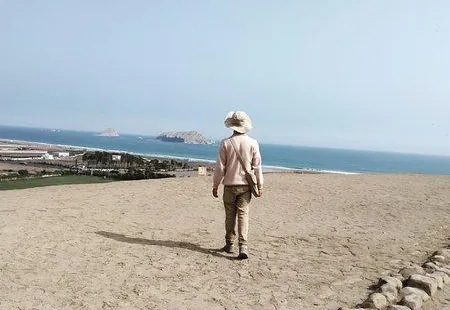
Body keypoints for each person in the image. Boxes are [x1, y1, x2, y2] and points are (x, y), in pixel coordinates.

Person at [212, 111, 263, 259]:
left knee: (230, 216)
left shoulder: (225, 143)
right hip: (246, 186)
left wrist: (215, 185)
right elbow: (257, 167)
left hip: (229, 185)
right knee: (243, 215)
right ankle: (243, 247)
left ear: (232, 126)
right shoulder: (253, 143)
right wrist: (259, 185)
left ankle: (229, 244)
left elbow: (220, 167)